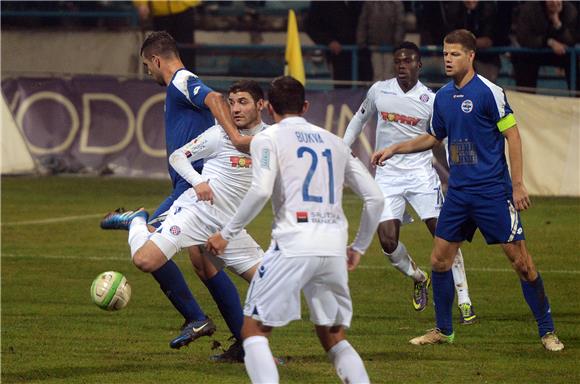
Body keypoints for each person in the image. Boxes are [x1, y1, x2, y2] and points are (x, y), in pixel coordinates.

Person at [372, 29, 564, 352]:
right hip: (459, 193)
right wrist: (396, 148)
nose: (448, 59)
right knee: (439, 260)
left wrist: (517, 185)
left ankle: (547, 330)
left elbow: (512, 136)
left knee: (522, 263)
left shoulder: (490, 92)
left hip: (492, 192)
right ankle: (444, 330)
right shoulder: (444, 97)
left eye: (455, 54)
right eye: (445, 54)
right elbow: (433, 137)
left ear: (471, 56)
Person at [207, 76, 384, 383]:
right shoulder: (335, 142)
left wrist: (227, 233)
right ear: (305, 106)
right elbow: (375, 198)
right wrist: (358, 247)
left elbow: (261, 191)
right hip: (333, 245)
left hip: (292, 243)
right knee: (333, 335)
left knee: (253, 331)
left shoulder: (268, 138)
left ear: (270, 108)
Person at [101, 31, 251, 352]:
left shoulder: (182, 80)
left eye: (146, 65)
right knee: (204, 264)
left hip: (193, 190)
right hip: (198, 187)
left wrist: (235, 138)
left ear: (156, 60)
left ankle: (195, 317)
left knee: (149, 252)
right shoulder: (178, 87)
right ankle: (243, 343)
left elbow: (214, 99)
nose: (148, 72)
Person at [343, 41, 476, 324]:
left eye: (408, 61)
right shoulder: (380, 90)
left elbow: (444, 138)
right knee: (388, 242)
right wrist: (342, 147)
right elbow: (358, 119)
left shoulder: (431, 99)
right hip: (388, 176)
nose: (402, 66)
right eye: (398, 62)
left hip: (421, 176)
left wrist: (456, 174)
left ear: (419, 65)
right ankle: (418, 277)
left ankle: (464, 300)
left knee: (444, 236)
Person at [512, 1, 578, 92]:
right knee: (522, 59)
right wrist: (549, 42)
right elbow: (524, 38)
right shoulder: (530, 9)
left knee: (576, 59)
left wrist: (557, 23)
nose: (554, 2)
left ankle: (577, 100)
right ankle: (526, 98)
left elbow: (572, 40)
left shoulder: (570, 10)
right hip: (535, 51)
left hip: (563, 52)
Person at [133, 0, 201, 69]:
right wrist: (141, 3)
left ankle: (188, 78)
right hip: (160, 13)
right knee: (162, 53)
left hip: (185, 8)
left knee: (186, 53)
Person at [356, 1, 406, 81]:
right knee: (377, 75)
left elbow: (400, 23)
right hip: (374, 45)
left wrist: (397, 43)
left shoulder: (396, 3)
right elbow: (363, 22)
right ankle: (378, 93)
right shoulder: (369, 3)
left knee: (389, 74)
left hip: (391, 47)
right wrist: (361, 42)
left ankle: (389, 93)